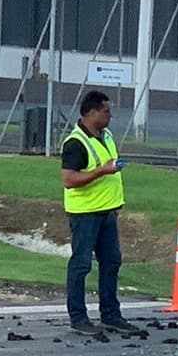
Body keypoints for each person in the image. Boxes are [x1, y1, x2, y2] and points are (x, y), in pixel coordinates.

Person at [61, 90, 144, 337]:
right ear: (91, 112)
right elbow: (69, 179)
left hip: (107, 211)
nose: (110, 116)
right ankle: (78, 317)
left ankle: (111, 314)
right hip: (85, 214)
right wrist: (102, 171)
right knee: (81, 264)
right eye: (106, 111)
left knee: (111, 262)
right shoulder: (75, 143)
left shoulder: (106, 135)